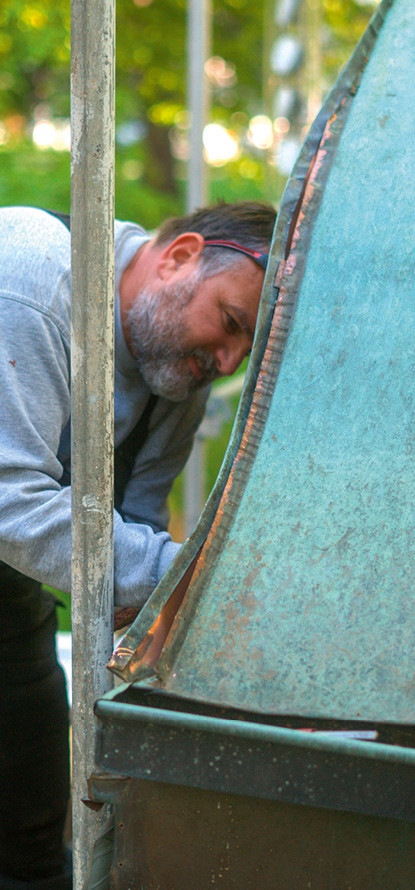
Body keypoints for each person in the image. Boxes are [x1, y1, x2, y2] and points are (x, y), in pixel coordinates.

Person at [0, 201, 276, 889]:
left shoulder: (176, 377)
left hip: (7, 592)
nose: (227, 360)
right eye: (232, 323)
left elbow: (131, 533)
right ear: (179, 255)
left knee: (31, 838)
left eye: (248, 351)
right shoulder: (35, 275)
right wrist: (204, 575)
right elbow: (10, 500)